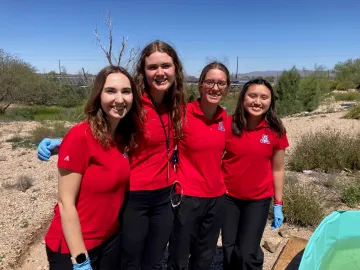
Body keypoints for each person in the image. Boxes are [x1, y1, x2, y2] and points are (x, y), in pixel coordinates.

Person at [38, 40, 187, 270]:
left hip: (163, 196)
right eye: (152, 67)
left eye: (166, 66)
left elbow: (112, 132)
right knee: (130, 259)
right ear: (143, 71)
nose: (160, 73)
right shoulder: (134, 104)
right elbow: (101, 123)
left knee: (152, 256)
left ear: (175, 68)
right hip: (135, 194)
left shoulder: (176, 105)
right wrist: (66, 141)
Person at [44, 65, 143, 270]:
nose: (120, 99)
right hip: (74, 246)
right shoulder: (80, 135)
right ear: (98, 95)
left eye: (126, 91)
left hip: (109, 240)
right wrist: (81, 260)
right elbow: (65, 203)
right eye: (111, 91)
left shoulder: (125, 138)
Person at [167, 62, 230, 270]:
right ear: (201, 85)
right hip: (187, 196)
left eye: (221, 83)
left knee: (205, 255)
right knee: (179, 255)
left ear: (227, 88)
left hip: (217, 197)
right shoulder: (182, 114)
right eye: (210, 82)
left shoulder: (226, 120)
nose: (215, 88)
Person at [221, 78, 288, 270]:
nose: (257, 102)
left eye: (263, 97)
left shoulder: (276, 130)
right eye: (252, 95)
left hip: (258, 199)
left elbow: (278, 169)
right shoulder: (228, 125)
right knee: (229, 247)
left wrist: (278, 204)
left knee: (248, 251)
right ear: (243, 98)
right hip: (227, 198)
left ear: (270, 101)